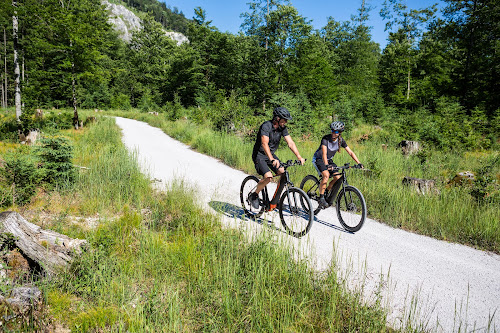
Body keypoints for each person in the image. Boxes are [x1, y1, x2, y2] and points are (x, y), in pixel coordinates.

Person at [249, 107, 306, 209]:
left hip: (271, 155)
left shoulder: (282, 128)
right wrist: (271, 159)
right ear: (277, 118)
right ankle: (254, 195)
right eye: (285, 119)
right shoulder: (266, 126)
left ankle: (275, 200)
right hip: (260, 155)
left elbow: (290, 143)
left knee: (283, 172)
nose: (286, 122)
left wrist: (299, 156)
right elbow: (264, 144)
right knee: (268, 177)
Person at [312, 121, 363, 208]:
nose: (333, 133)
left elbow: (350, 152)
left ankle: (326, 190)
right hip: (319, 159)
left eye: (336, 131)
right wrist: (327, 165)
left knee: (337, 177)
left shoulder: (341, 141)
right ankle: (321, 198)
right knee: (326, 175)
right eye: (332, 130)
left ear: (340, 132)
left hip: (329, 160)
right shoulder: (325, 139)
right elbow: (324, 153)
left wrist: (358, 163)